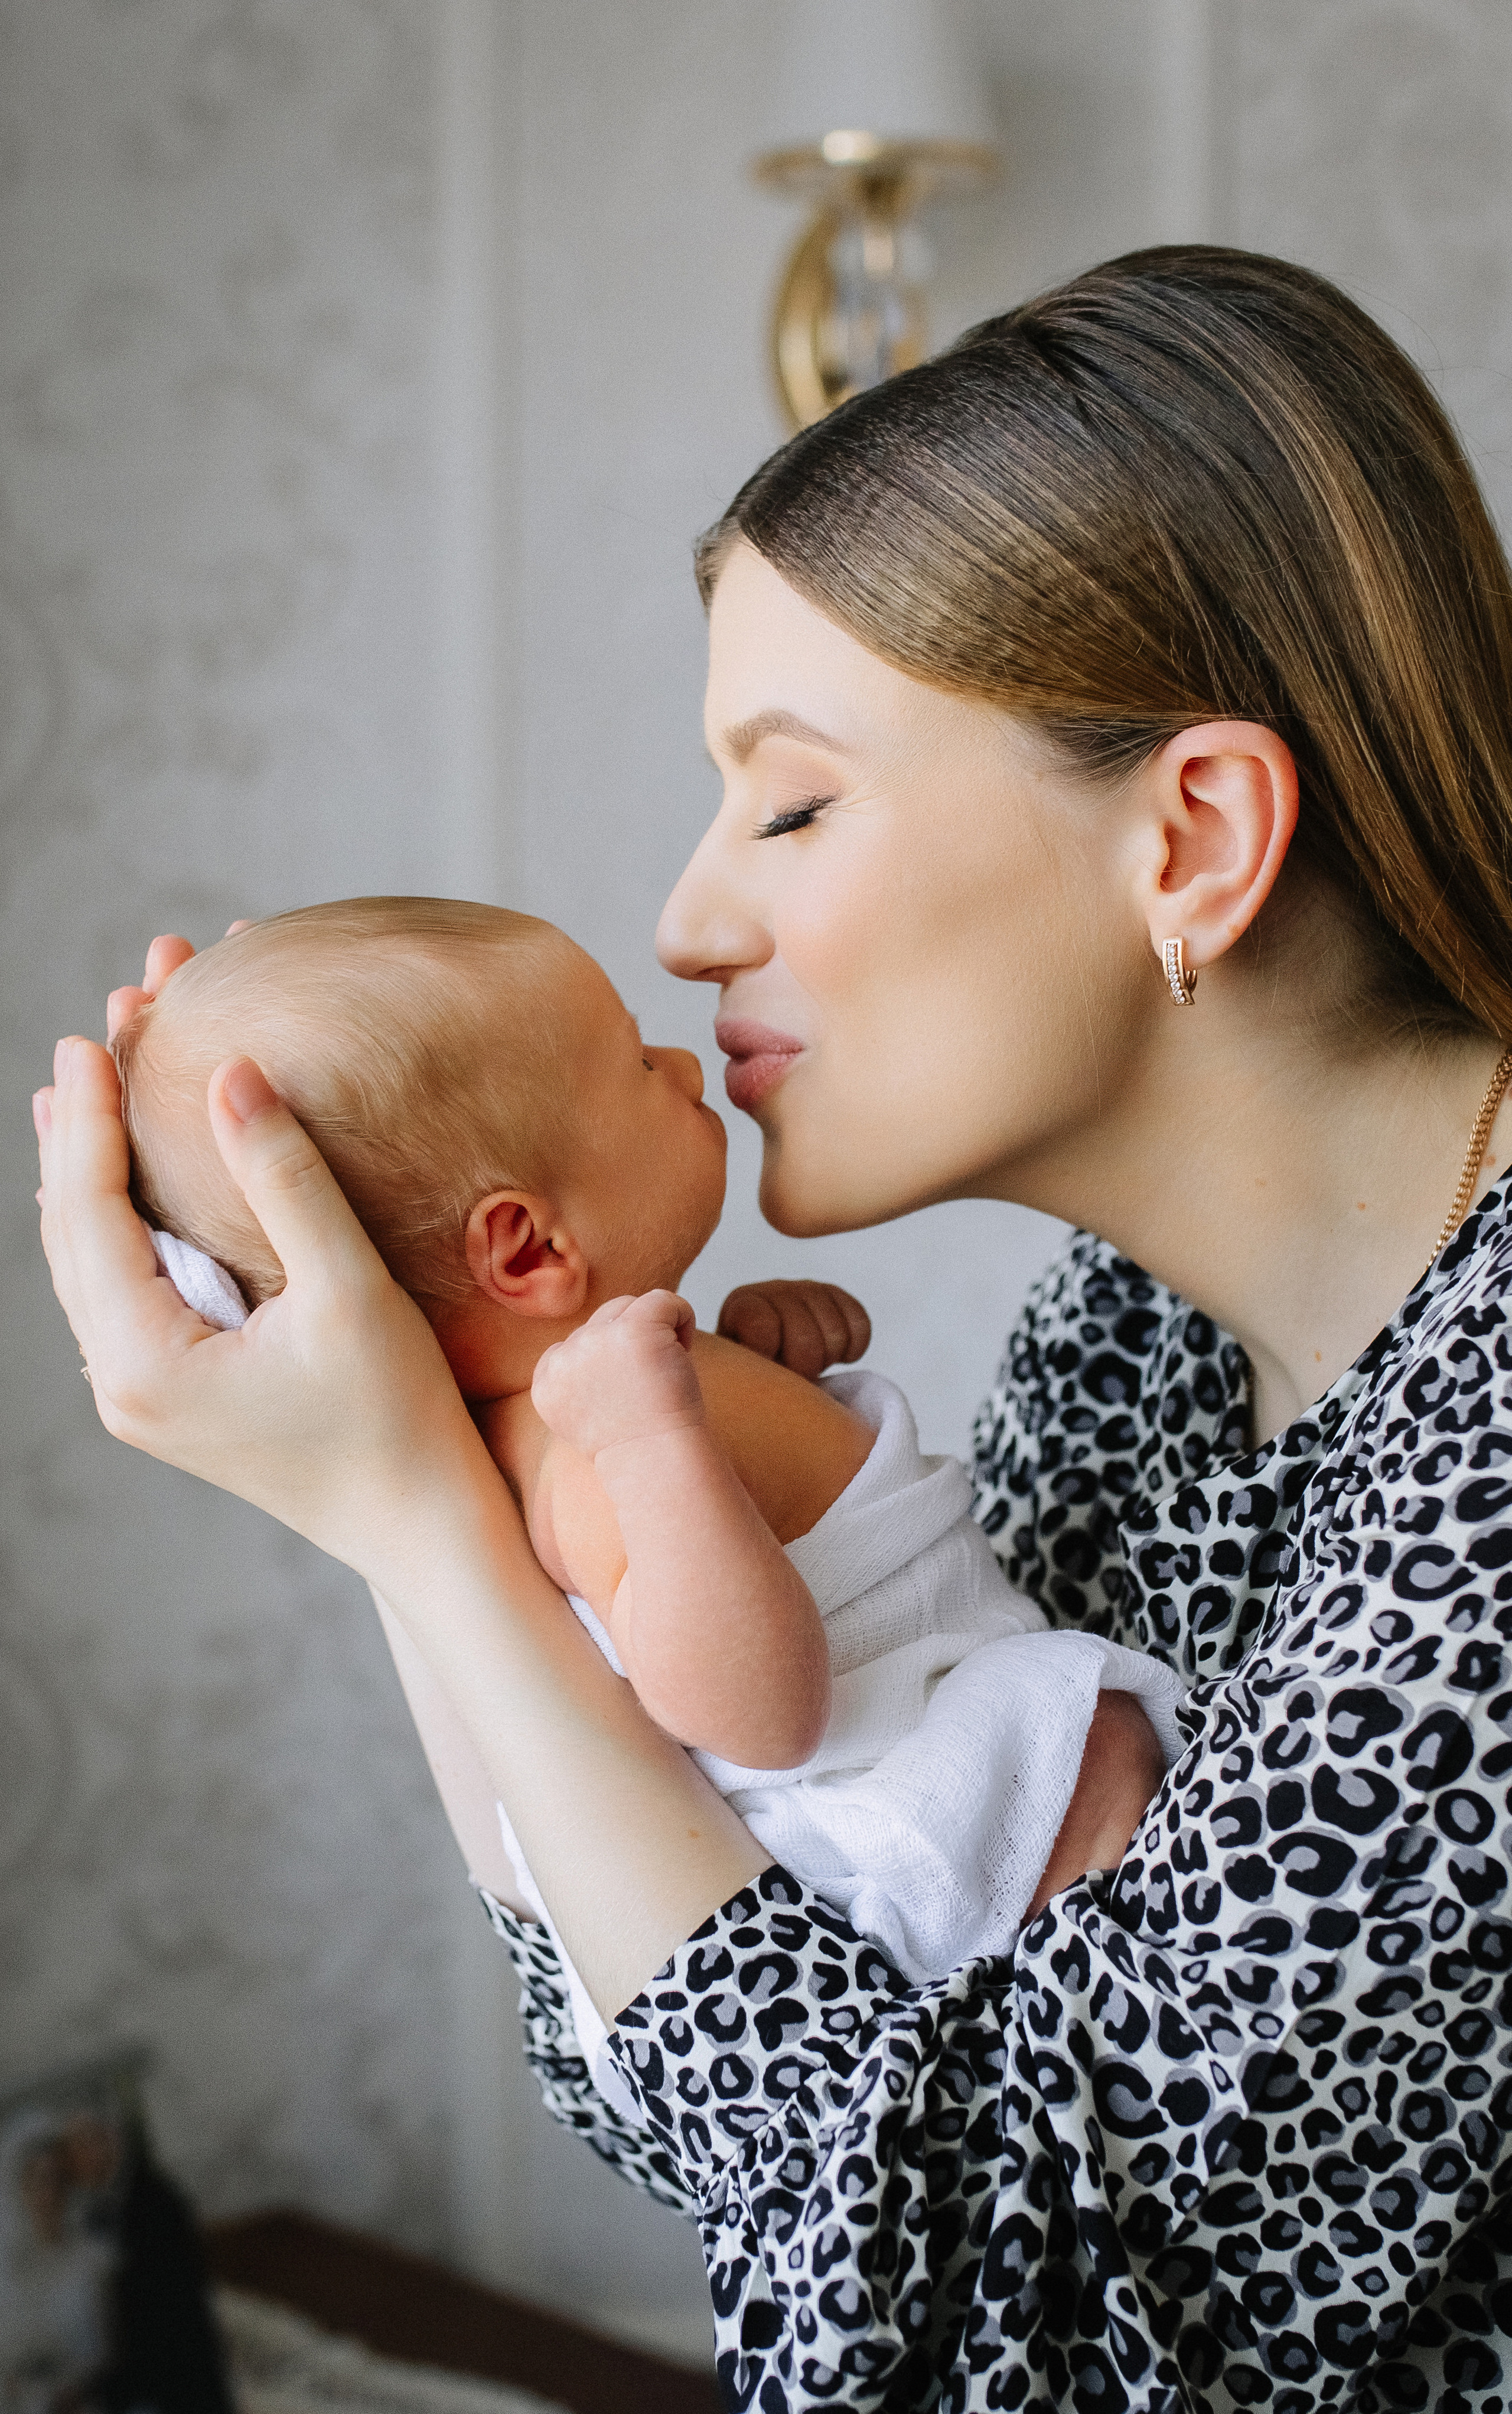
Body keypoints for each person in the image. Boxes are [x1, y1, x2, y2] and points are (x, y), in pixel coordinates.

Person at [36, 244, 1512, 2409]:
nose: (688, 914)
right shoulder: (1139, 1342)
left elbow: (964, 2323)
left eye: (795, 797)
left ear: (1193, 834)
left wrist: (424, 1535)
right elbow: (714, 2037)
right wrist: (428, 1420)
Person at [110, 895, 1179, 2113]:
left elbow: (803, 1556)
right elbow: (756, 1714)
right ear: (523, 1251)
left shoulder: (597, 1406)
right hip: (880, 1871)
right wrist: (662, 1437)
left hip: (815, 1850)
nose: (680, 1061)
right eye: (632, 1059)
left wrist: (764, 1378)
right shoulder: (589, 1459)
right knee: (1083, 1739)